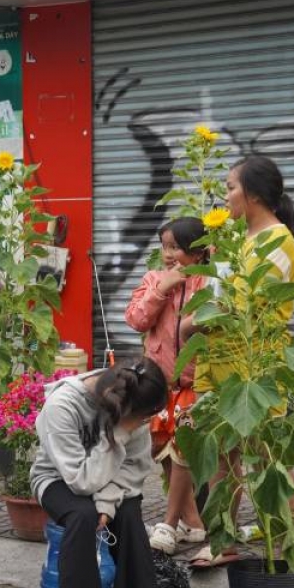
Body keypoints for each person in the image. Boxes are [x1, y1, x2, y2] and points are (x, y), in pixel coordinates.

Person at [31, 358, 205, 588]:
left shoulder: (134, 402)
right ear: (126, 409)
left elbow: (135, 468)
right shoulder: (63, 405)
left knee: (129, 514)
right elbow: (80, 481)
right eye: (139, 419)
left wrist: (108, 504)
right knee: (81, 515)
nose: (143, 424)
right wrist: (120, 434)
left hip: (111, 483)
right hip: (58, 479)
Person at [185, 154, 294, 568]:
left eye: (232, 187)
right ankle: (223, 541)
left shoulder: (277, 241)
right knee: (223, 459)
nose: (226, 196)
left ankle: (291, 545)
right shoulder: (243, 239)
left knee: (265, 456)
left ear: (252, 194)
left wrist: (191, 325)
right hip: (223, 365)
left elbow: (242, 306)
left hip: (255, 370)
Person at [125, 217, 208, 556]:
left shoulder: (209, 284)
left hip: (194, 382)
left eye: (176, 246)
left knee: (183, 451)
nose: (168, 253)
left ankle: (169, 525)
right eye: (165, 246)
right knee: (164, 452)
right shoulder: (153, 280)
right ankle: (195, 523)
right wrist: (162, 288)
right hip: (159, 382)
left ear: (199, 252)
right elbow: (136, 320)